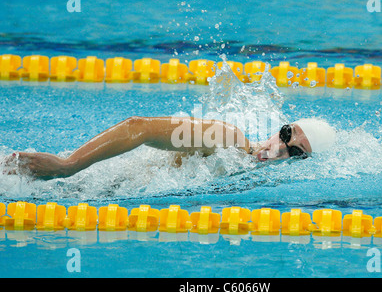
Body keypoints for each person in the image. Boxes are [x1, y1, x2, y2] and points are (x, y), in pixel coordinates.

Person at [1, 116, 336, 180]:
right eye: (286, 134)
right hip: (87, 185)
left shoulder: (255, 176)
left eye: (295, 153)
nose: (280, 149)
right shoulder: (228, 138)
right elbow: (139, 127)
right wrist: (68, 165)